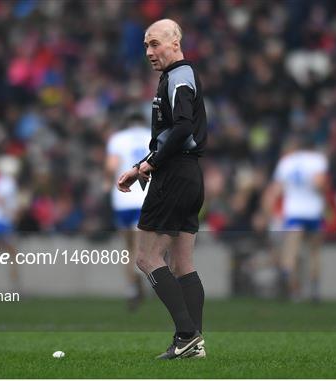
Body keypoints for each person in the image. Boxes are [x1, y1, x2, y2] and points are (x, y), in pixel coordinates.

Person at [117, 19, 207, 359]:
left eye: (155, 43)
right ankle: (193, 345)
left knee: (146, 257)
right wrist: (141, 164)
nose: (149, 52)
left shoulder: (179, 76)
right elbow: (172, 134)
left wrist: (151, 164)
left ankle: (186, 334)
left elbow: (183, 128)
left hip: (174, 175)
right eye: (145, 45)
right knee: (183, 263)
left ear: (175, 41)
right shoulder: (174, 77)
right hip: (189, 174)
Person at [263, 136, 328, 302]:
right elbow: (320, 183)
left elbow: (274, 192)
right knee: (314, 252)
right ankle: (314, 289)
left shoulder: (287, 162)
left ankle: (292, 289)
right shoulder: (317, 160)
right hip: (313, 212)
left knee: (290, 253)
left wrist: (271, 215)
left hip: (293, 213)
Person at [104, 112, 151, 311]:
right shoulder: (152, 136)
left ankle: (132, 287)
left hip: (123, 199)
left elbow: (111, 166)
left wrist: (107, 183)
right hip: (146, 197)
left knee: (128, 248)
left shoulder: (118, 138)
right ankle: (140, 275)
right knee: (143, 246)